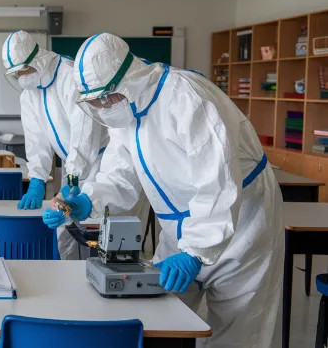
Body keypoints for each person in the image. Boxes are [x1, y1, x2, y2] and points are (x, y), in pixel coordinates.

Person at [44, 33, 283, 348]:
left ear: (128, 79)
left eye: (106, 97)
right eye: (95, 102)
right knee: (161, 322)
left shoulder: (186, 98)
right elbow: (121, 176)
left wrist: (196, 251)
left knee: (237, 332)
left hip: (241, 226)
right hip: (178, 229)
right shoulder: (125, 115)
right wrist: (90, 200)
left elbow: (218, 183)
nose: (103, 108)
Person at [3, 30, 108, 259]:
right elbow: (35, 139)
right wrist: (37, 179)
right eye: (17, 73)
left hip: (101, 164)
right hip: (72, 167)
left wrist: (71, 181)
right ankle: (71, 286)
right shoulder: (29, 94)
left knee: (102, 234)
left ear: (37, 58)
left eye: (24, 69)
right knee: (65, 234)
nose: (22, 76)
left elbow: (85, 135)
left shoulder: (70, 78)